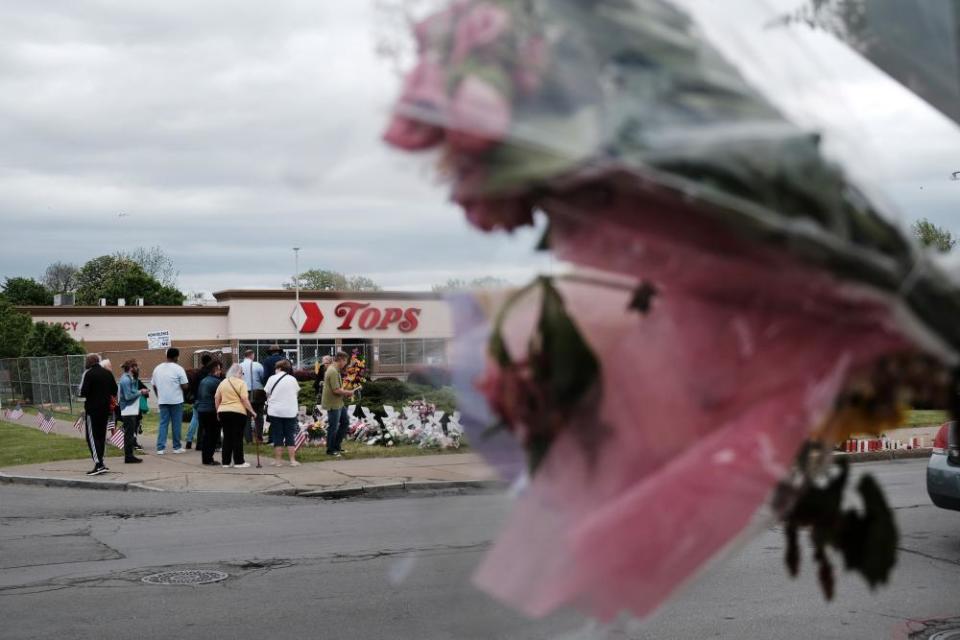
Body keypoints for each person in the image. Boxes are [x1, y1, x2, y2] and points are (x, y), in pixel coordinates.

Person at [79, 354, 117, 475]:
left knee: (91, 437)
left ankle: (98, 464)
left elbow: (83, 392)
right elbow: (114, 390)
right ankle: (102, 462)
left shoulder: (89, 374)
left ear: (90, 362)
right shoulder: (107, 373)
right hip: (105, 410)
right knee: (101, 437)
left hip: (92, 410)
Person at [215, 363, 256, 468]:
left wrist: (218, 411)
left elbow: (216, 398)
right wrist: (252, 411)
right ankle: (239, 462)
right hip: (238, 412)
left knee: (227, 437)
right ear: (238, 372)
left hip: (223, 411)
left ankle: (226, 462)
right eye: (242, 373)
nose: (242, 375)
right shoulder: (242, 383)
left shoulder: (223, 382)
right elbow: (244, 399)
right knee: (237, 437)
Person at [264, 359, 302, 467]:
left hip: (275, 411)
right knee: (290, 435)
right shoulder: (293, 379)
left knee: (277, 435)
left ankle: (278, 461)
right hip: (290, 411)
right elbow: (296, 394)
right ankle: (292, 460)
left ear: (279, 368)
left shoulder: (272, 378)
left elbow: (267, 393)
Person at [151, 347, 189, 455]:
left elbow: (153, 385)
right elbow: (185, 386)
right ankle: (176, 447)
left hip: (162, 400)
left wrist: (159, 395)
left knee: (163, 423)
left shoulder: (157, 368)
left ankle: (160, 448)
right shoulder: (178, 369)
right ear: (176, 356)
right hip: (176, 400)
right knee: (176, 424)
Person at [322, 351, 356, 457]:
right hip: (333, 403)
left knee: (345, 422)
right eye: (345, 361)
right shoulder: (332, 371)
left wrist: (345, 392)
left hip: (338, 402)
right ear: (341, 359)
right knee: (334, 426)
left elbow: (337, 389)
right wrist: (348, 393)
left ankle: (336, 446)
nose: (345, 364)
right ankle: (330, 449)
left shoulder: (335, 370)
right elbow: (336, 390)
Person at [117, 360, 148, 464]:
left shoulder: (129, 378)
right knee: (129, 435)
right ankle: (128, 456)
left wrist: (139, 388)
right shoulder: (125, 380)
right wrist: (141, 392)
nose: (137, 369)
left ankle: (130, 455)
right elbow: (128, 396)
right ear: (131, 368)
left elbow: (132, 391)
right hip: (128, 410)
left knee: (130, 434)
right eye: (136, 367)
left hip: (131, 410)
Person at [195, 360, 224, 466]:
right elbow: (221, 397)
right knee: (212, 436)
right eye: (219, 369)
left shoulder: (204, 380)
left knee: (206, 435)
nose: (220, 372)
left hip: (201, 410)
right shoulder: (217, 382)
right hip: (211, 411)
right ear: (215, 370)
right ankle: (209, 459)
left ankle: (205, 458)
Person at [185, 353, 214, 450]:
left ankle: (189, 440)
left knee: (195, 419)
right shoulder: (210, 374)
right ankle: (201, 442)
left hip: (197, 399)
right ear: (210, 362)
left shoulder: (197, 373)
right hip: (206, 400)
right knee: (205, 423)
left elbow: (193, 386)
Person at [240, 349, 266, 444]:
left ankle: (248, 440)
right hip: (258, 392)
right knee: (259, 416)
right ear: (252, 355)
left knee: (246, 417)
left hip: (244, 392)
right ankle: (259, 438)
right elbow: (263, 377)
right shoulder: (257, 365)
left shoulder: (239, 366)